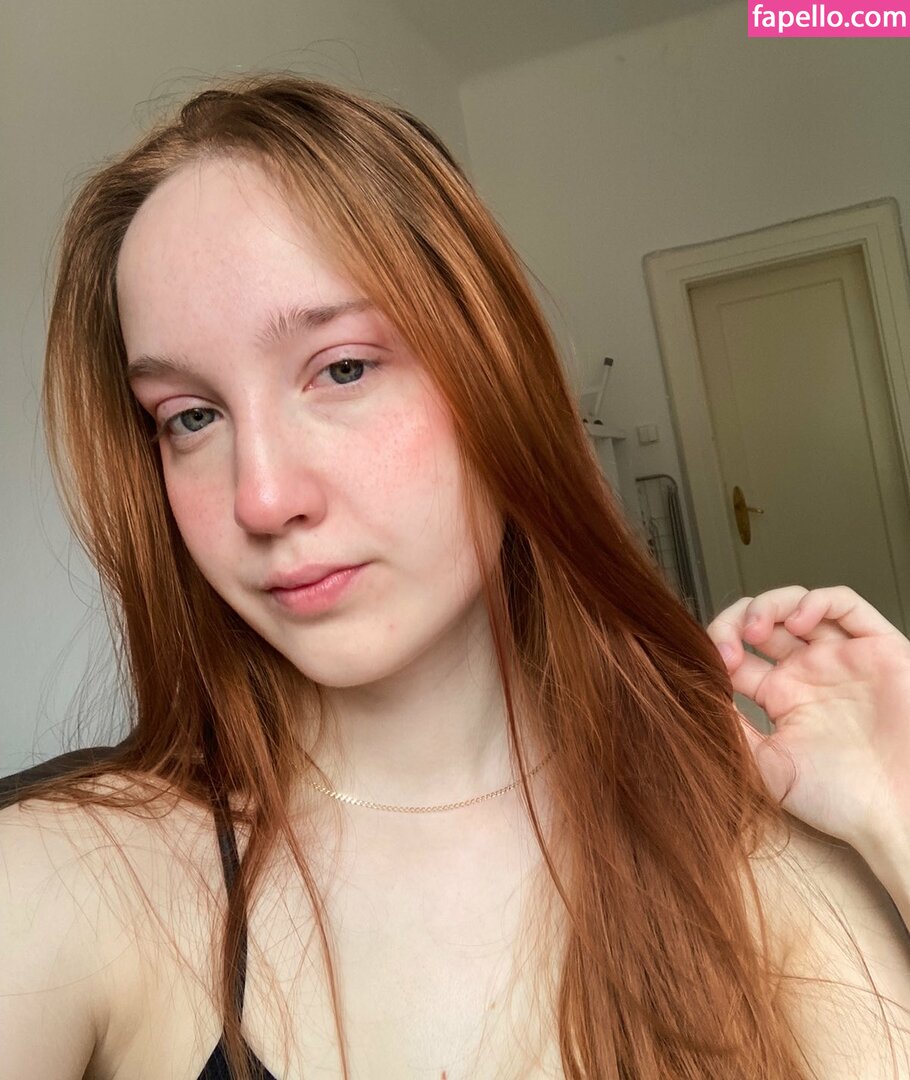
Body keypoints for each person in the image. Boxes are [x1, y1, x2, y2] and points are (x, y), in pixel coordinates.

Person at [1, 74, 909, 1080]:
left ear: (498, 373)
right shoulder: (70, 879)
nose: (262, 497)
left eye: (343, 368)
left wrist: (900, 811)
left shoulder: (755, 857)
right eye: (191, 417)